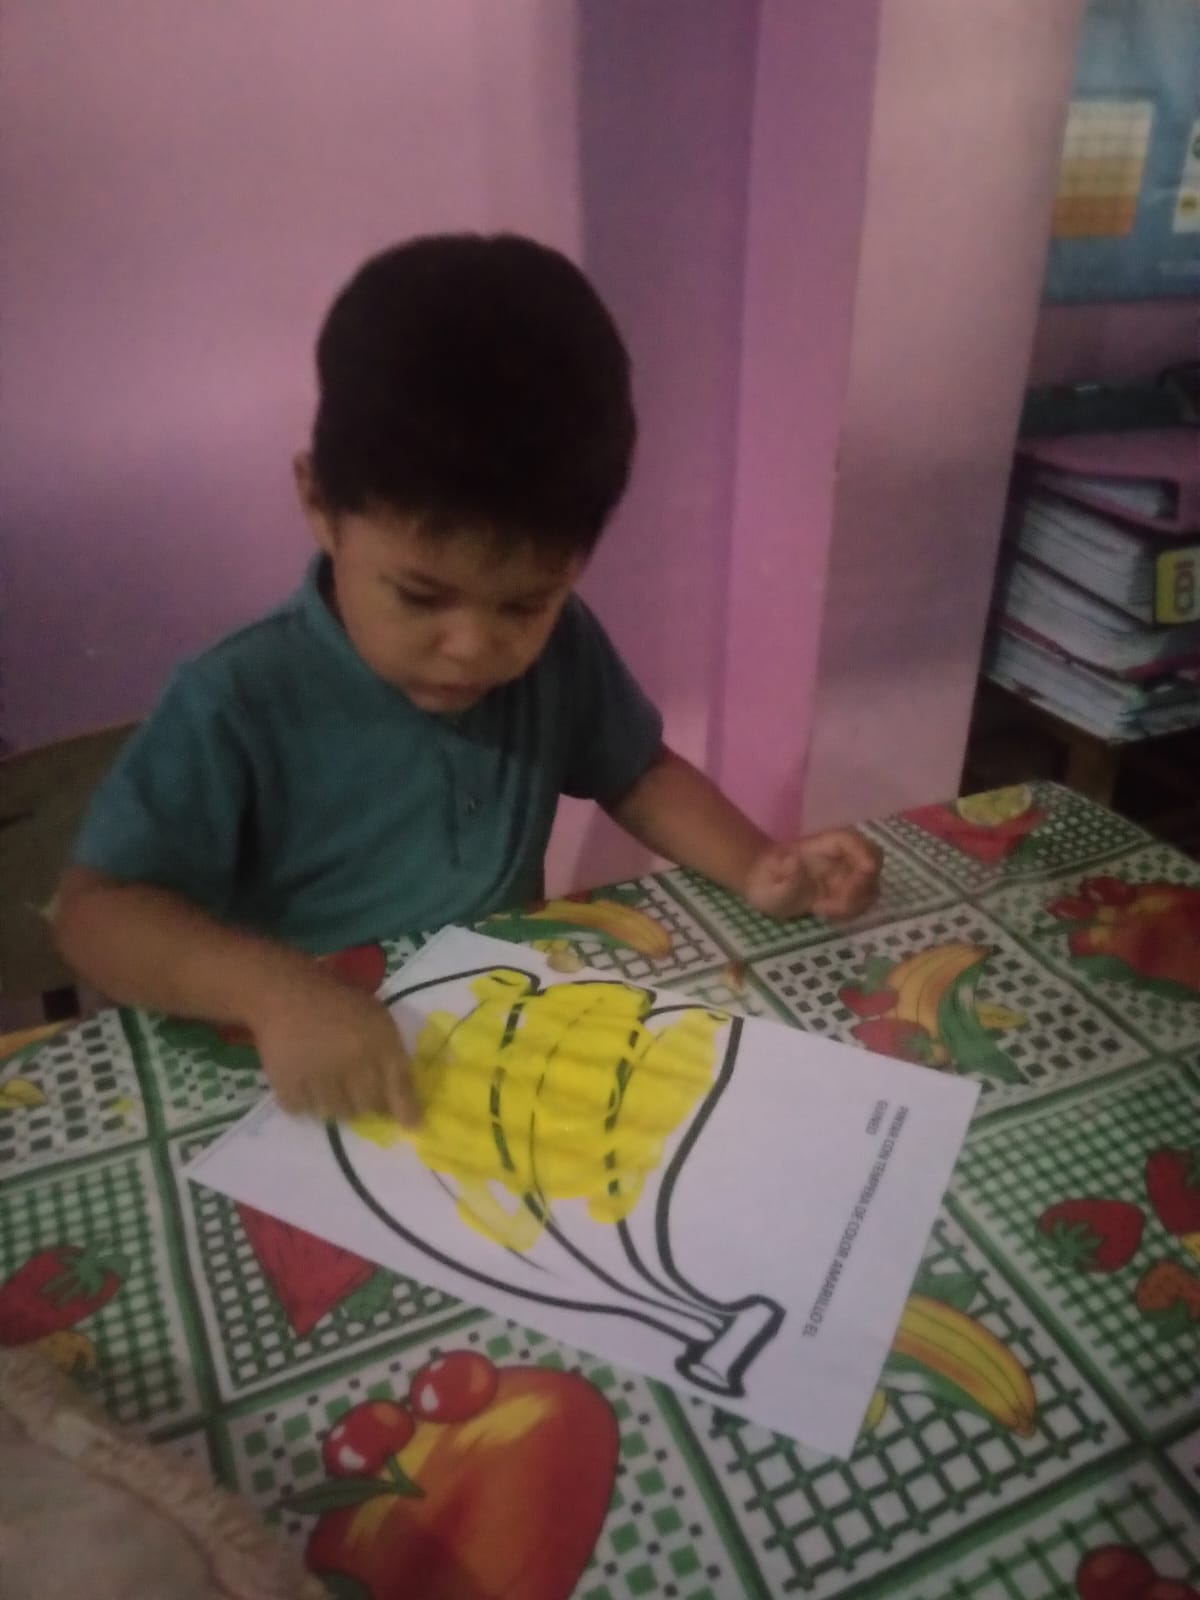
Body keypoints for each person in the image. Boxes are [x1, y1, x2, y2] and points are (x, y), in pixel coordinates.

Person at [55, 234, 881, 1125]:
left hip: (494, 1046)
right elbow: (96, 914)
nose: (473, 649)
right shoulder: (237, 700)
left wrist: (756, 864)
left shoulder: (563, 647)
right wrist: (275, 992)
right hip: (303, 1077)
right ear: (320, 505)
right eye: (421, 596)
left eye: (525, 603)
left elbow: (637, 772)